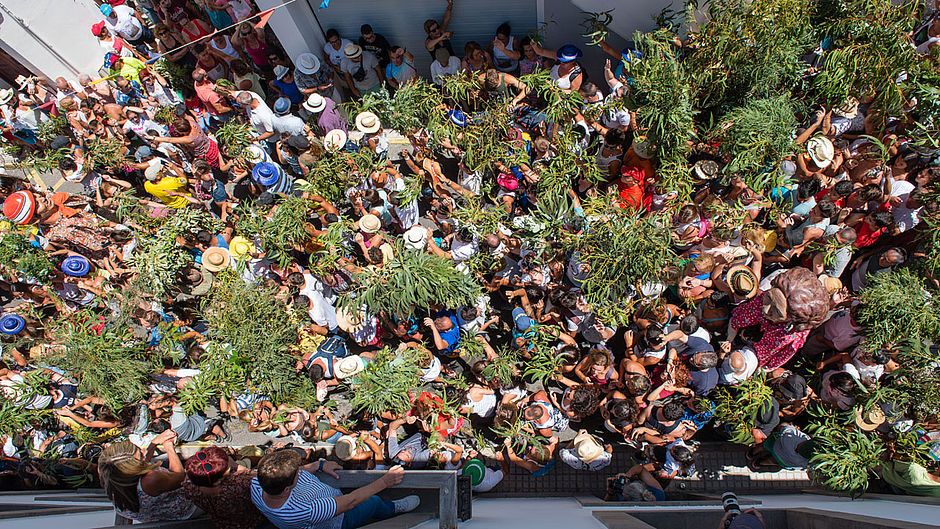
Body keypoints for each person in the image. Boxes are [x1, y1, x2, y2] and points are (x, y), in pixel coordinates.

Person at [250, 449, 420, 529]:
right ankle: (393, 508)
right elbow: (350, 502)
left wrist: (318, 465)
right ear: (287, 489)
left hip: (329, 499)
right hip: (338, 519)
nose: (299, 471)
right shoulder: (302, 511)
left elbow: (292, 472)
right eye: (296, 474)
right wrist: (385, 481)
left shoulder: (258, 483)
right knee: (372, 502)